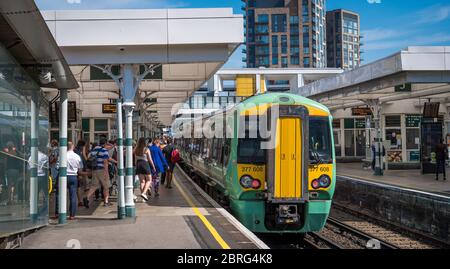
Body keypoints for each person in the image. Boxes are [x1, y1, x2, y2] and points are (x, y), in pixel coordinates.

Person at [83, 138, 111, 208]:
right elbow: (105, 162)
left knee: (94, 186)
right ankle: (106, 201)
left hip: (94, 170)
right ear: (105, 144)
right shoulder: (104, 150)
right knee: (106, 186)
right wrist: (106, 173)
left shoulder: (94, 150)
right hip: (102, 170)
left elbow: (89, 158)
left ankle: (87, 197)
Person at [66, 142, 86, 220]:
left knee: (60, 194)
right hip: (73, 177)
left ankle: (59, 213)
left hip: (64, 176)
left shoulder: (63, 155)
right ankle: (72, 215)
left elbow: (58, 167)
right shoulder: (77, 156)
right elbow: (80, 169)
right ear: (73, 147)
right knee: (73, 196)